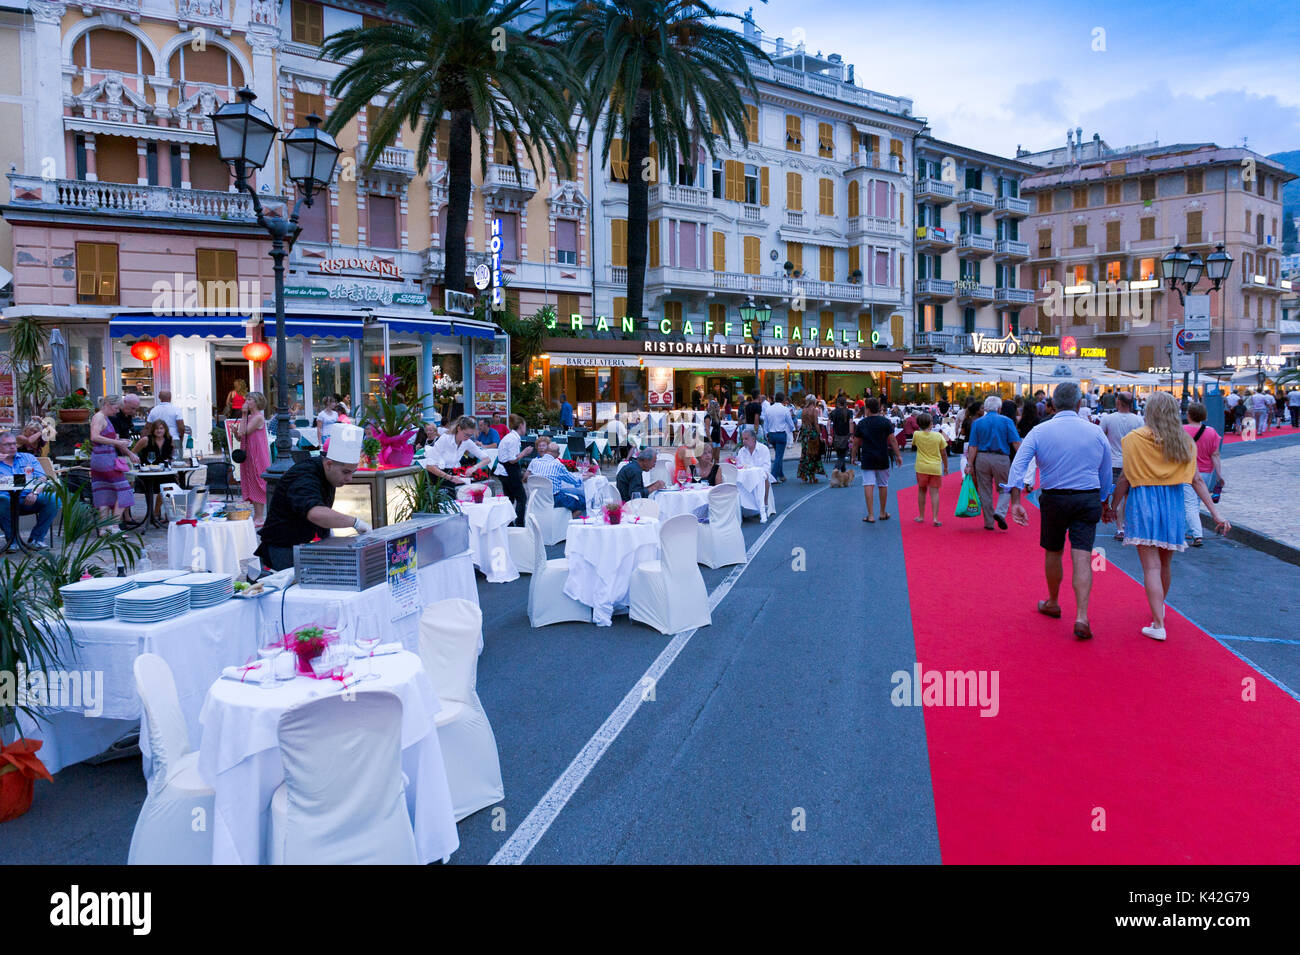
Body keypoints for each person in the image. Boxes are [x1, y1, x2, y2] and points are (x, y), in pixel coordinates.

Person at [1107, 392, 1229, 641]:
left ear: (1149, 412)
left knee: (1150, 567)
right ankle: (1158, 609)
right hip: (1173, 503)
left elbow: (1125, 478)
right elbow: (1196, 480)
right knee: (1164, 565)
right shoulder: (1183, 441)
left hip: (1143, 503)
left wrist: (1111, 505)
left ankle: (1158, 624)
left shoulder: (1133, 440)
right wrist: (1216, 514)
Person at [1007, 381, 1111, 640]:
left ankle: (1053, 601)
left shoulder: (1040, 431)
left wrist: (1016, 499)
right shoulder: (1095, 432)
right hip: (1087, 497)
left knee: (1053, 551)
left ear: (1052, 404)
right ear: (1079, 404)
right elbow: (1106, 472)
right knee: (1083, 556)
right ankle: (1082, 616)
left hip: (1054, 498)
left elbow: (1019, 465)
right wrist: (1104, 500)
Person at [255, 423, 370, 571]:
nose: (349, 479)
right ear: (329, 464)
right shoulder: (305, 475)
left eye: (352, 472)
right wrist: (356, 523)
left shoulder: (328, 474)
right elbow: (315, 513)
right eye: (346, 472)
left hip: (307, 546)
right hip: (283, 549)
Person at [965, 395, 1020, 531]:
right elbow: (1016, 442)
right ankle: (1000, 512)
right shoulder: (1007, 421)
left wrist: (969, 464)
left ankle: (989, 522)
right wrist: (1021, 460)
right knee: (1005, 488)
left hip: (982, 458)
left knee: (985, 491)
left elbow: (973, 446)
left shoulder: (977, 423)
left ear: (985, 408)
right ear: (999, 408)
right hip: (1001, 458)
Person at [0, 431, 61, 550]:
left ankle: (36, 538)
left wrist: (35, 492)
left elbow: (41, 478)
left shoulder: (27, 458)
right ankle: (12, 540)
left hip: (28, 498)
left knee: (53, 499)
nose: (12, 447)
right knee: (1, 500)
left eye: (14, 443)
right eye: (7, 444)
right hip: (5, 501)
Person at [90, 395, 138, 531]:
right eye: (116, 408)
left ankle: (104, 528)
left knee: (104, 491)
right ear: (107, 404)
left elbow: (112, 439)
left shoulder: (105, 418)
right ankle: (114, 526)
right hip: (104, 459)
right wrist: (117, 442)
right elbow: (94, 436)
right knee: (125, 490)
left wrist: (129, 452)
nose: (117, 411)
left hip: (103, 457)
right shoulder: (99, 417)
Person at [1100, 391, 1143, 542]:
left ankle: (1119, 528)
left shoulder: (1108, 418)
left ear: (1118, 402)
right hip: (1131, 463)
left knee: (1115, 495)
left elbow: (1101, 438)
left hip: (1113, 462)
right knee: (1128, 497)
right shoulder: (1139, 420)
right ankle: (1126, 526)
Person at [851, 397, 901, 523]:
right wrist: (898, 455)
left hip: (868, 457)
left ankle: (871, 514)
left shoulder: (862, 423)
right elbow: (893, 440)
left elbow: (856, 443)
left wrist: (853, 456)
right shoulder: (885, 422)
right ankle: (883, 512)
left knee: (868, 484)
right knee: (883, 484)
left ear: (867, 409)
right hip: (882, 456)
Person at [1181, 402, 1223, 548]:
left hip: (1187, 471)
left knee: (1190, 503)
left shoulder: (1182, 430)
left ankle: (1197, 534)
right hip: (1206, 471)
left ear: (1189, 414)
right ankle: (1188, 530)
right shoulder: (1212, 432)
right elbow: (1215, 454)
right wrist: (1219, 475)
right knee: (1196, 502)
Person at [495, 414, 536, 526]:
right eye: (525, 426)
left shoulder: (510, 437)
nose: (525, 429)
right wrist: (524, 453)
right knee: (522, 498)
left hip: (504, 470)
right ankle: (519, 524)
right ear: (521, 425)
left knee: (510, 498)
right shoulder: (513, 439)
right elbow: (512, 459)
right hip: (509, 470)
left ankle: (508, 524)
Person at [426, 416, 492, 485]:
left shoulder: (467, 442)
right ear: (459, 429)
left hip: (452, 475)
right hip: (437, 477)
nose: (468, 437)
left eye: (470, 435)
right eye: (466, 434)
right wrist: (450, 478)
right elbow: (429, 466)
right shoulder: (445, 439)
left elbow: (487, 459)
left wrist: (474, 468)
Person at [236, 391, 271, 523]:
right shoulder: (250, 417)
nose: (246, 402)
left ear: (256, 402)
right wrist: (235, 432)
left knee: (258, 480)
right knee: (250, 479)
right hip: (248, 452)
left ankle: (260, 516)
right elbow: (240, 435)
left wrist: (244, 414)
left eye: (249, 399)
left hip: (257, 453)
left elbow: (245, 431)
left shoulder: (258, 417)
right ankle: (257, 515)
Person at [527, 437, 586, 511]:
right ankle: (565, 521)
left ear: (546, 451)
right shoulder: (557, 465)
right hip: (554, 499)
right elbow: (574, 481)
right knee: (583, 501)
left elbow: (526, 477)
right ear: (558, 454)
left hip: (536, 499)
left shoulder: (534, 462)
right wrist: (587, 476)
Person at [911, 413, 948, 526]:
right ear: (931, 424)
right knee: (935, 492)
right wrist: (945, 466)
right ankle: (935, 518)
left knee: (922, 491)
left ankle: (921, 516)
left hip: (921, 467)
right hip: (935, 467)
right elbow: (944, 453)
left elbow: (914, 445)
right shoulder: (938, 436)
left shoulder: (916, 434)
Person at [761, 392, 796, 483]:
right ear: (783, 399)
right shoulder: (785, 410)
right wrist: (793, 429)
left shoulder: (769, 409)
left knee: (778, 455)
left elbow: (766, 423)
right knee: (779, 457)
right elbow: (790, 422)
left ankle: (781, 475)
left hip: (772, 434)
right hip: (781, 434)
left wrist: (767, 434)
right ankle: (773, 476)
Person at [797, 396, 825, 483]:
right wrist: (820, 434)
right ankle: (812, 475)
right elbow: (816, 424)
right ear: (813, 401)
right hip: (812, 434)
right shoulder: (815, 410)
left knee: (805, 454)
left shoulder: (803, 410)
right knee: (813, 455)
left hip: (805, 434)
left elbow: (803, 423)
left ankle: (804, 474)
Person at [827, 395, 854, 473]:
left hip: (836, 436)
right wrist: (851, 434)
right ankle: (835, 470)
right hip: (845, 436)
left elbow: (828, 423)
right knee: (842, 456)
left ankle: (843, 474)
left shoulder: (833, 412)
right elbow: (851, 422)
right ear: (845, 403)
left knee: (840, 455)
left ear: (838, 403)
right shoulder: (849, 412)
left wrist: (829, 434)